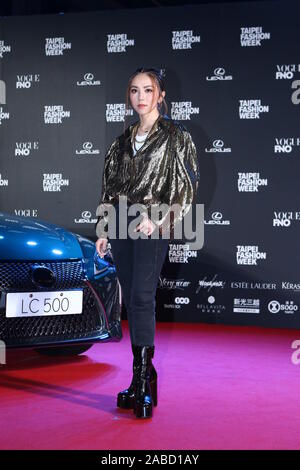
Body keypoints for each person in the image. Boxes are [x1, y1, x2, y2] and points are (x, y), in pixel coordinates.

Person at [95, 67, 200, 418]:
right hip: (123, 224)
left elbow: (186, 185)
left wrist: (160, 219)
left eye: (148, 90)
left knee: (142, 298)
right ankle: (144, 376)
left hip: (152, 223)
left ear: (161, 95)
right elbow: (110, 188)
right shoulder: (122, 140)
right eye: (135, 91)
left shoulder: (175, 135)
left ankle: (141, 382)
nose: (141, 97)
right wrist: (104, 229)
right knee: (133, 304)